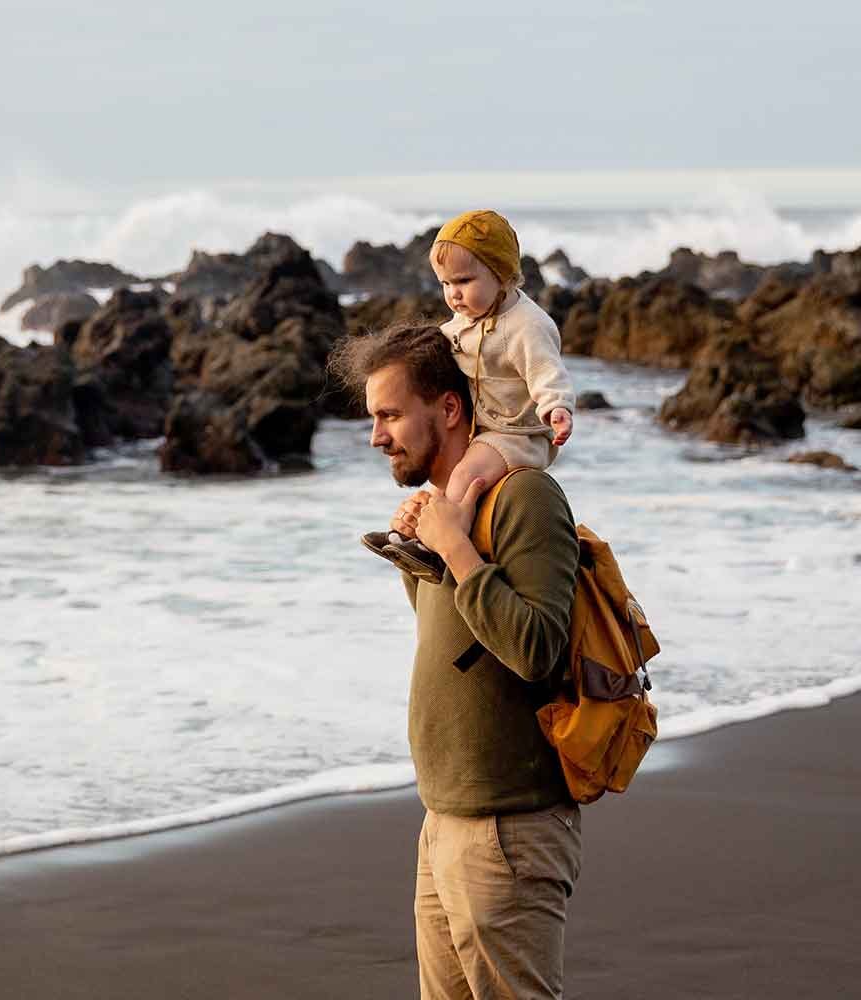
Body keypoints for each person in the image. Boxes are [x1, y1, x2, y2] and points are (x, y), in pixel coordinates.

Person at [329, 324, 582, 1000]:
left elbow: (536, 650)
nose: (377, 436)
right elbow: (463, 645)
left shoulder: (525, 497)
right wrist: (431, 545)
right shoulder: (442, 515)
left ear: (447, 409)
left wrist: (455, 547)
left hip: (510, 827)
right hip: (444, 819)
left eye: (389, 415)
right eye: (373, 418)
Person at [362, 209, 576, 583]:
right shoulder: (465, 320)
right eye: (445, 284)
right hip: (486, 427)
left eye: (463, 280)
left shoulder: (527, 325)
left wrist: (555, 406)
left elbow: (546, 370)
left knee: (464, 476)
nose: (453, 294)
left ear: (502, 274)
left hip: (517, 433)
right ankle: (419, 542)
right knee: (447, 486)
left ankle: (438, 547)